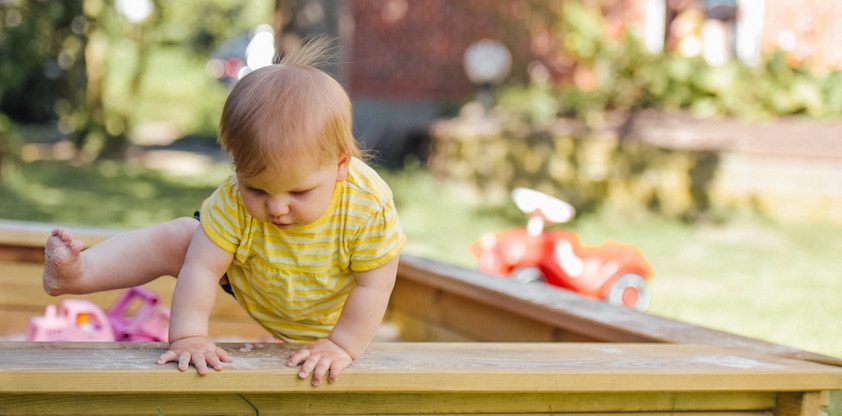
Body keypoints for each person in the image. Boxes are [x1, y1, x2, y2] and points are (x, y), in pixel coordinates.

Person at [41, 37, 406, 386]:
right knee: (183, 237)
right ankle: (78, 273)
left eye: (300, 191)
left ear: (341, 166)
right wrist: (188, 337)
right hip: (258, 277)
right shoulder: (232, 199)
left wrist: (341, 345)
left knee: (356, 300)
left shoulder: (366, 205)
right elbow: (202, 268)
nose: (277, 208)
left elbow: (375, 283)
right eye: (257, 189)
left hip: (331, 309)